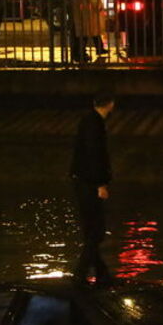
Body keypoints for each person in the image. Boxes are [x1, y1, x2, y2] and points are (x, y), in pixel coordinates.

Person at [70, 93, 116, 286]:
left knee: (91, 230)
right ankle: (80, 274)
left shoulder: (87, 120)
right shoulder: (95, 124)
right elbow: (95, 155)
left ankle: (101, 272)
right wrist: (101, 184)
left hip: (82, 180)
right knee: (97, 231)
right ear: (111, 104)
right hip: (90, 182)